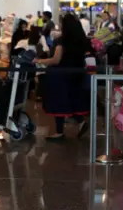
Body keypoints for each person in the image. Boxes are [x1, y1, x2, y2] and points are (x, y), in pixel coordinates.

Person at [35, 13, 91, 141]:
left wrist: (40, 61)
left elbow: (56, 60)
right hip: (77, 74)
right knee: (71, 101)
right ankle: (81, 122)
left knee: (58, 102)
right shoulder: (82, 40)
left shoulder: (62, 40)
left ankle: (59, 132)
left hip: (60, 75)